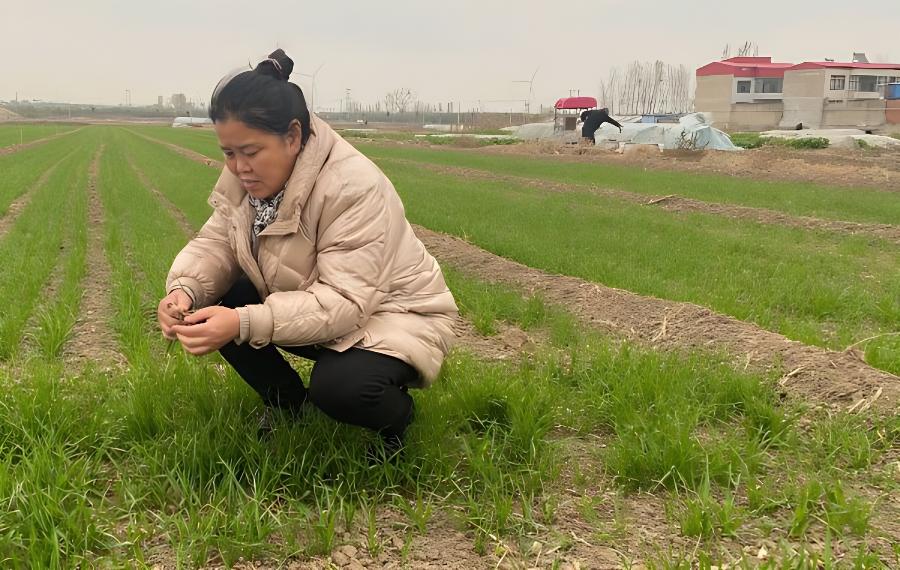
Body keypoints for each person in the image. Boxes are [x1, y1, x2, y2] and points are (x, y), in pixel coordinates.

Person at [157, 49, 458, 454]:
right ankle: (288, 406)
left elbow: (346, 301)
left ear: (293, 136)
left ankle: (396, 420)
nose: (238, 166)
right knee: (218, 300)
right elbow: (217, 243)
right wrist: (185, 291)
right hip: (320, 304)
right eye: (229, 153)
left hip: (394, 313)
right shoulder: (248, 179)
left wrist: (243, 323)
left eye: (250, 152)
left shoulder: (352, 186)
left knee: (340, 388)